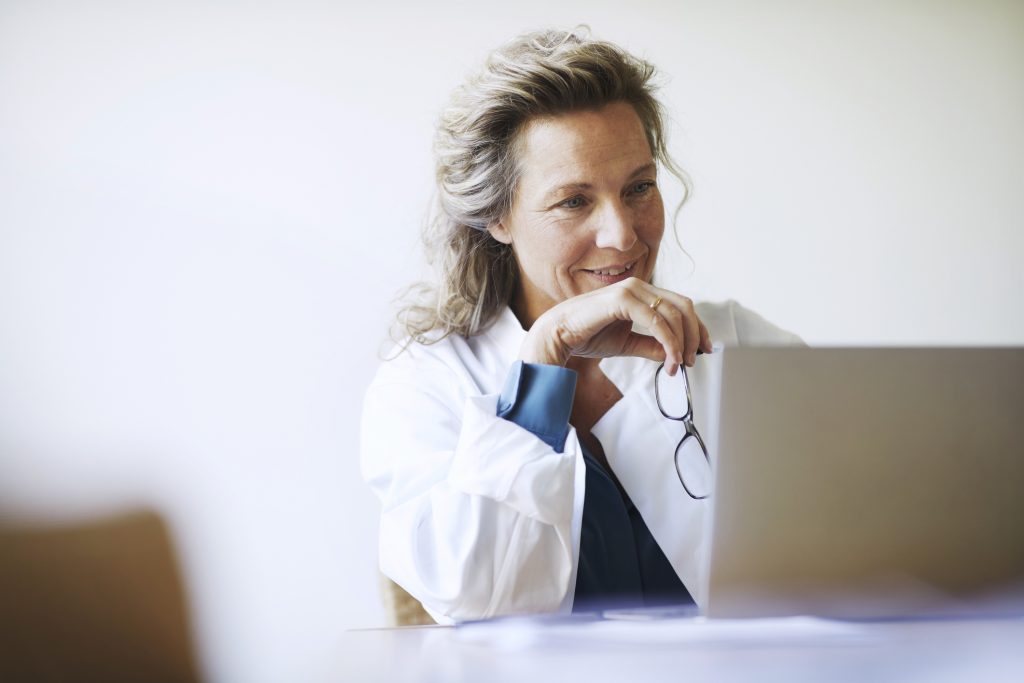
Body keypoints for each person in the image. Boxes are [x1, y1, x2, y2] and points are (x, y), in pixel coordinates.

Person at [361, 28, 802, 625]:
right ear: (497, 216)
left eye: (639, 188)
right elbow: (471, 599)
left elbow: (856, 546)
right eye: (573, 201)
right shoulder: (426, 380)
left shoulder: (737, 344)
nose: (622, 235)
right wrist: (543, 361)